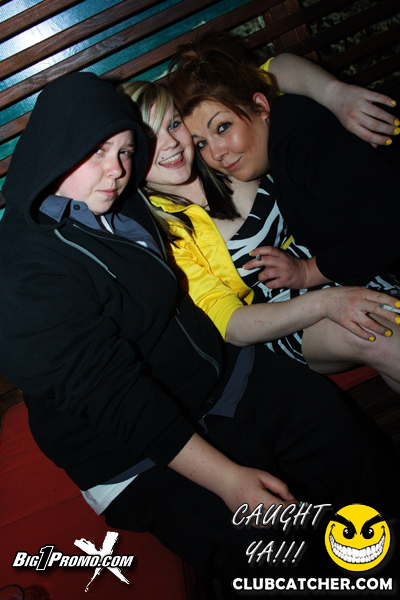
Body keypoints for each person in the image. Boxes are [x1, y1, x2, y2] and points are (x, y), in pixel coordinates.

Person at [0, 71, 399, 584]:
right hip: (130, 452)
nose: (116, 170)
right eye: (97, 150)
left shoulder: (122, 200)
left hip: (221, 379)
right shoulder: (20, 271)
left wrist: (336, 94)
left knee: (342, 443)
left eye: (125, 152)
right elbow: (112, 396)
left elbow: (259, 75)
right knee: (271, 554)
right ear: (56, 145)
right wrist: (228, 479)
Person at [123, 79, 400, 393]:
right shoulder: (160, 233)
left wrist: (334, 92)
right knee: (372, 334)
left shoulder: (224, 153)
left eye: (173, 124)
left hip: (342, 266)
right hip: (285, 318)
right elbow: (230, 324)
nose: (171, 143)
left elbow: (270, 72)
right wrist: (325, 303)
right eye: (149, 137)